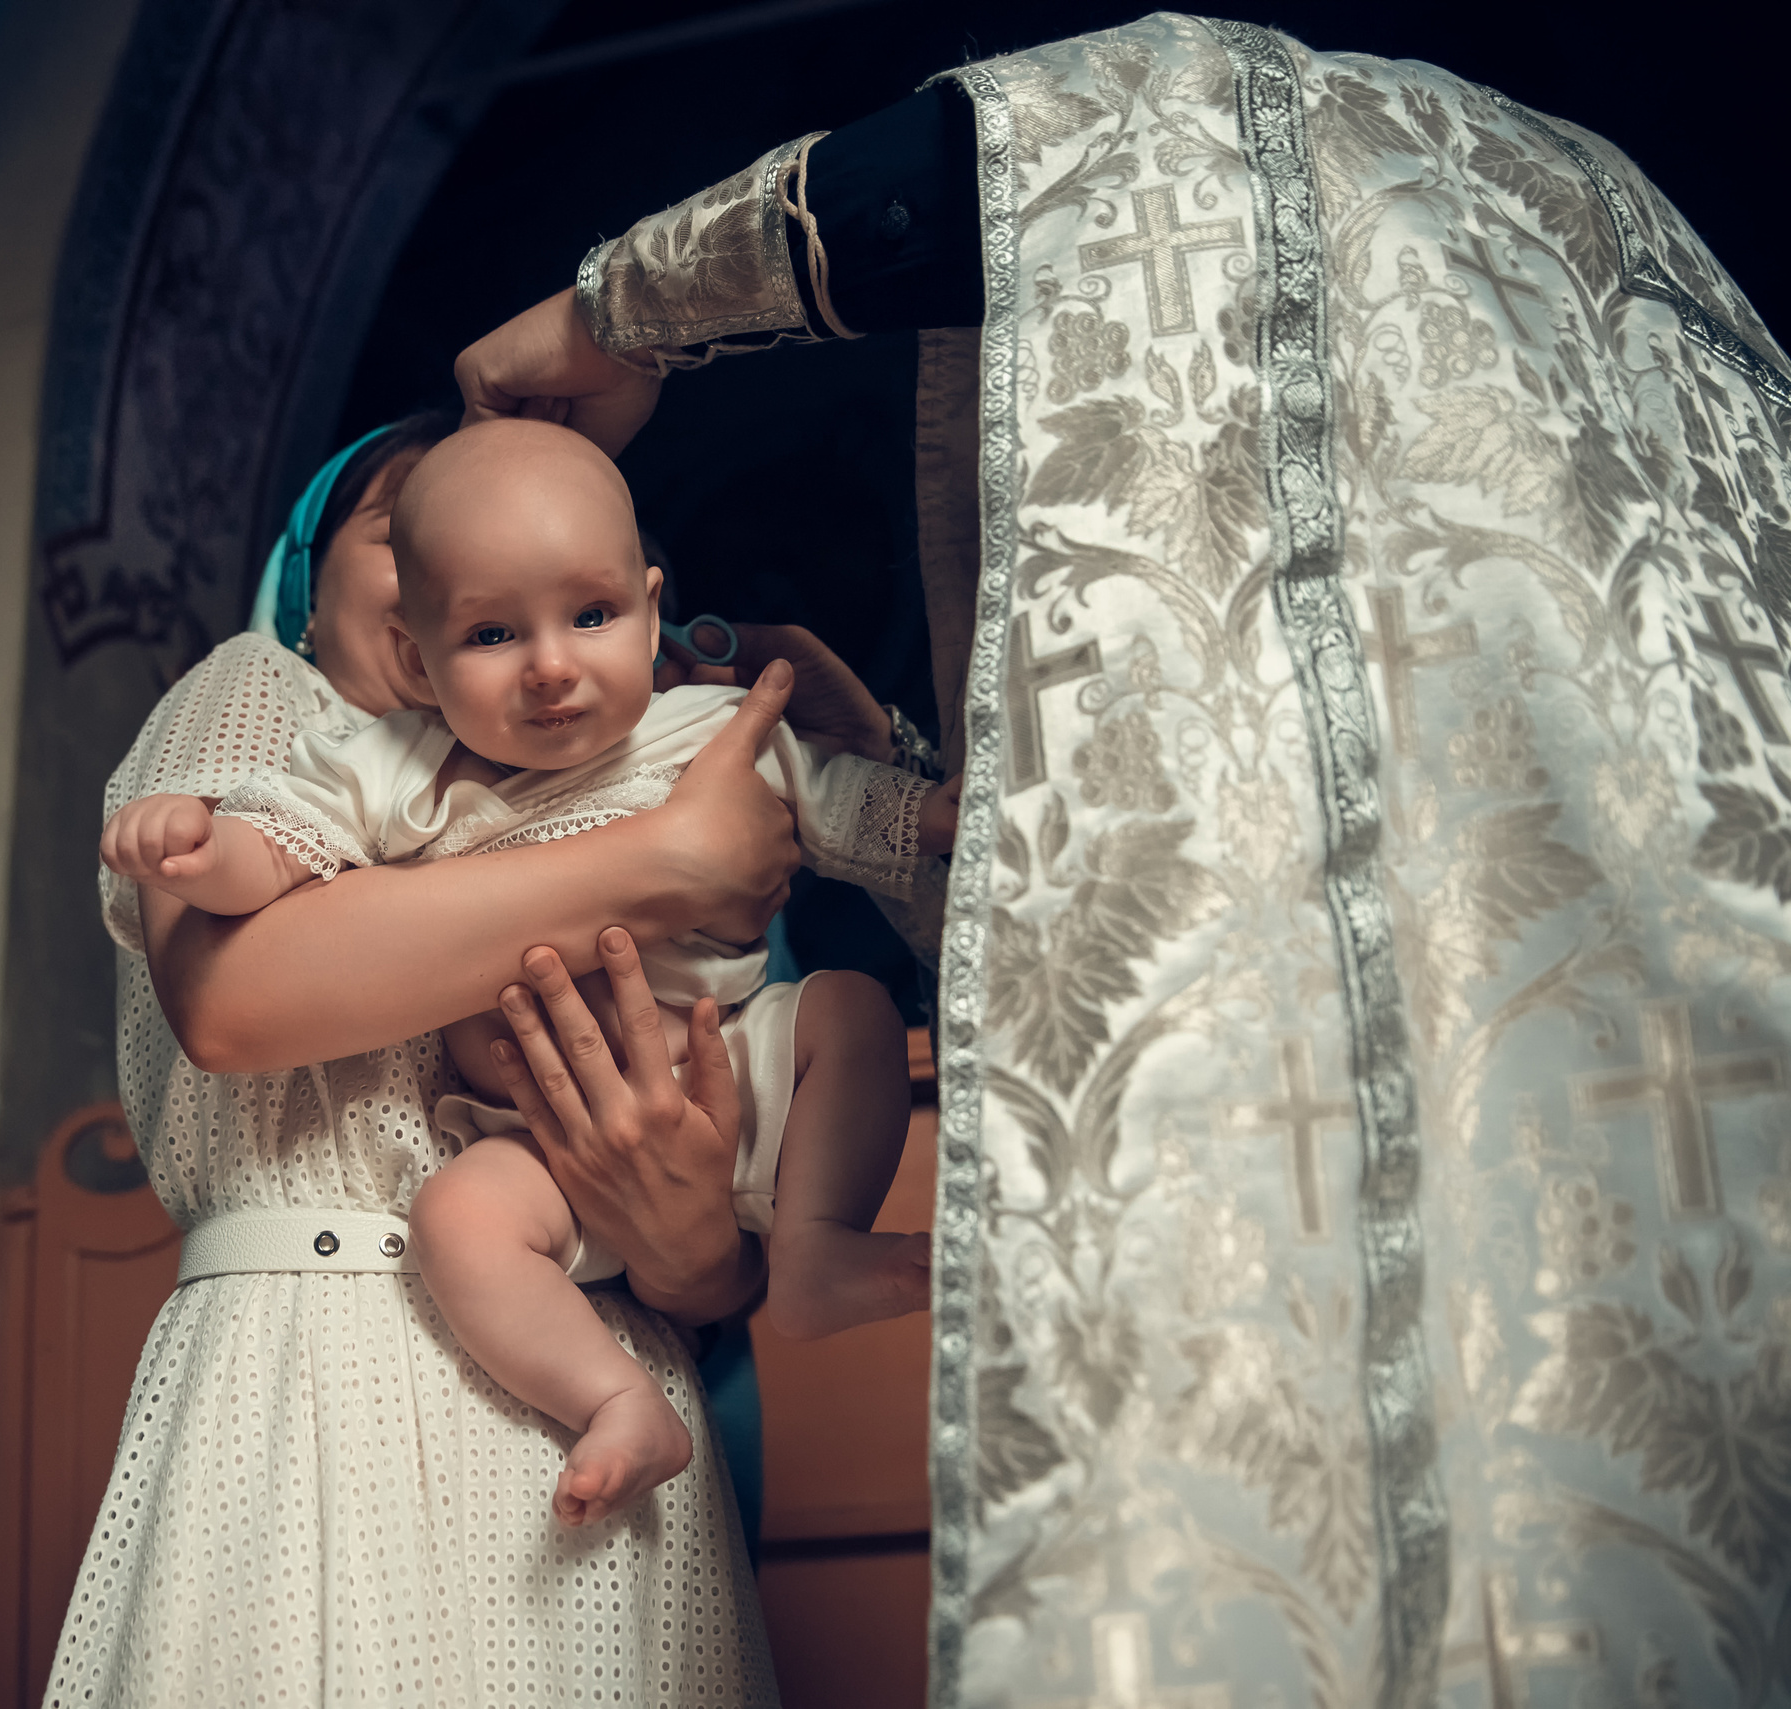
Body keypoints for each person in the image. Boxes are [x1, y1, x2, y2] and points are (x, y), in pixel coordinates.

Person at [457, 15, 1791, 1708]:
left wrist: (622, 305)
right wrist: (908, 795)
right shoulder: (1661, 280)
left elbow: (1079, 140)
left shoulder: (1300, 139)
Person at [46, 411, 912, 1704]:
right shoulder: (266, 692)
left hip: (612, 1389)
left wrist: (691, 1231)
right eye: (402, 530)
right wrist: (667, 856)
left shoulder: (640, 763)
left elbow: (714, 1258)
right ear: (314, 587)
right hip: (328, 1367)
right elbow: (230, 1002)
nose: (485, 574)